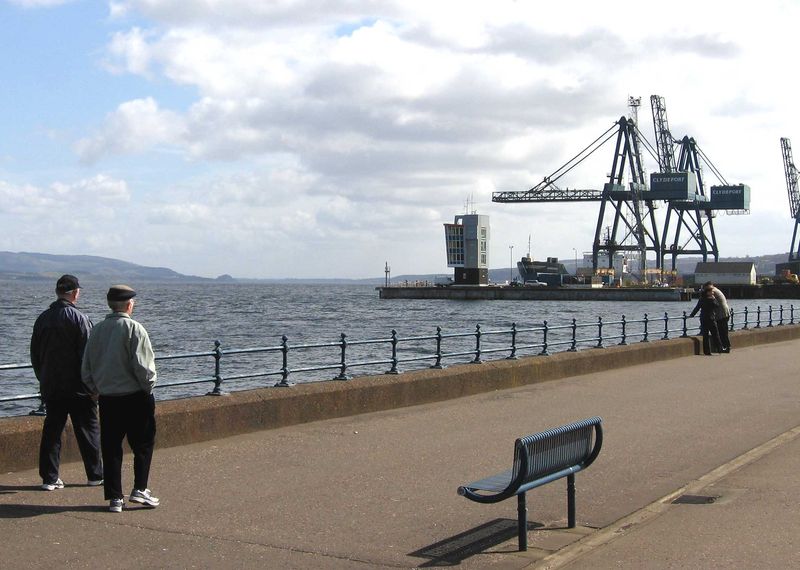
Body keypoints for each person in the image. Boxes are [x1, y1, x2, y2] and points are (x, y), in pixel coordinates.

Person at [81, 284, 159, 513]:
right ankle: (140, 489)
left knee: (111, 447)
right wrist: (148, 388)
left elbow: (86, 367)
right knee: (143, 444)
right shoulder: (134, 329)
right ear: (128, 304)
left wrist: (95, 388)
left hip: (108, 398)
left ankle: (115, 498)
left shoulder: (97, 330)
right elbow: (144, 368)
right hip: (135, 397)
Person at [30, 274, 103, 491]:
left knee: (52, 431)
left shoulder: (43, 318)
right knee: (88, 430)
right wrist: (94, 385)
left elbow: (35, 354)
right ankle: (94, 475)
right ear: (74, 293)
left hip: (52, 386)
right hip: (79, 387)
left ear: (57, 292)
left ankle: (50, 478)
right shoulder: (80, 318)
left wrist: (43, 377)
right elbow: (88, 356)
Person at [689, 287, 723, 356]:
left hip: (703, 318)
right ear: (708, 292)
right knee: (715, 334)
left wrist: (692, 315)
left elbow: (697, 308)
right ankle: (719, 348)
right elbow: (717, 306)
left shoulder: (701, 299)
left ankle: (706, 351)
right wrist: (714, 299)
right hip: (711, 318)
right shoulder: (712, 299)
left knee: (705, 335)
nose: (713, 293)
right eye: (711, 292)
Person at [704, 281, 731, 353]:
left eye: (706, 289)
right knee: (723, 331)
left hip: (721, 314)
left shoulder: (712, 291)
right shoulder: (716, 290)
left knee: (722, 332)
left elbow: (708, 302)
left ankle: (726, 347)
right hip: (725, 312)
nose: (706, 291)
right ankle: (725, 347)